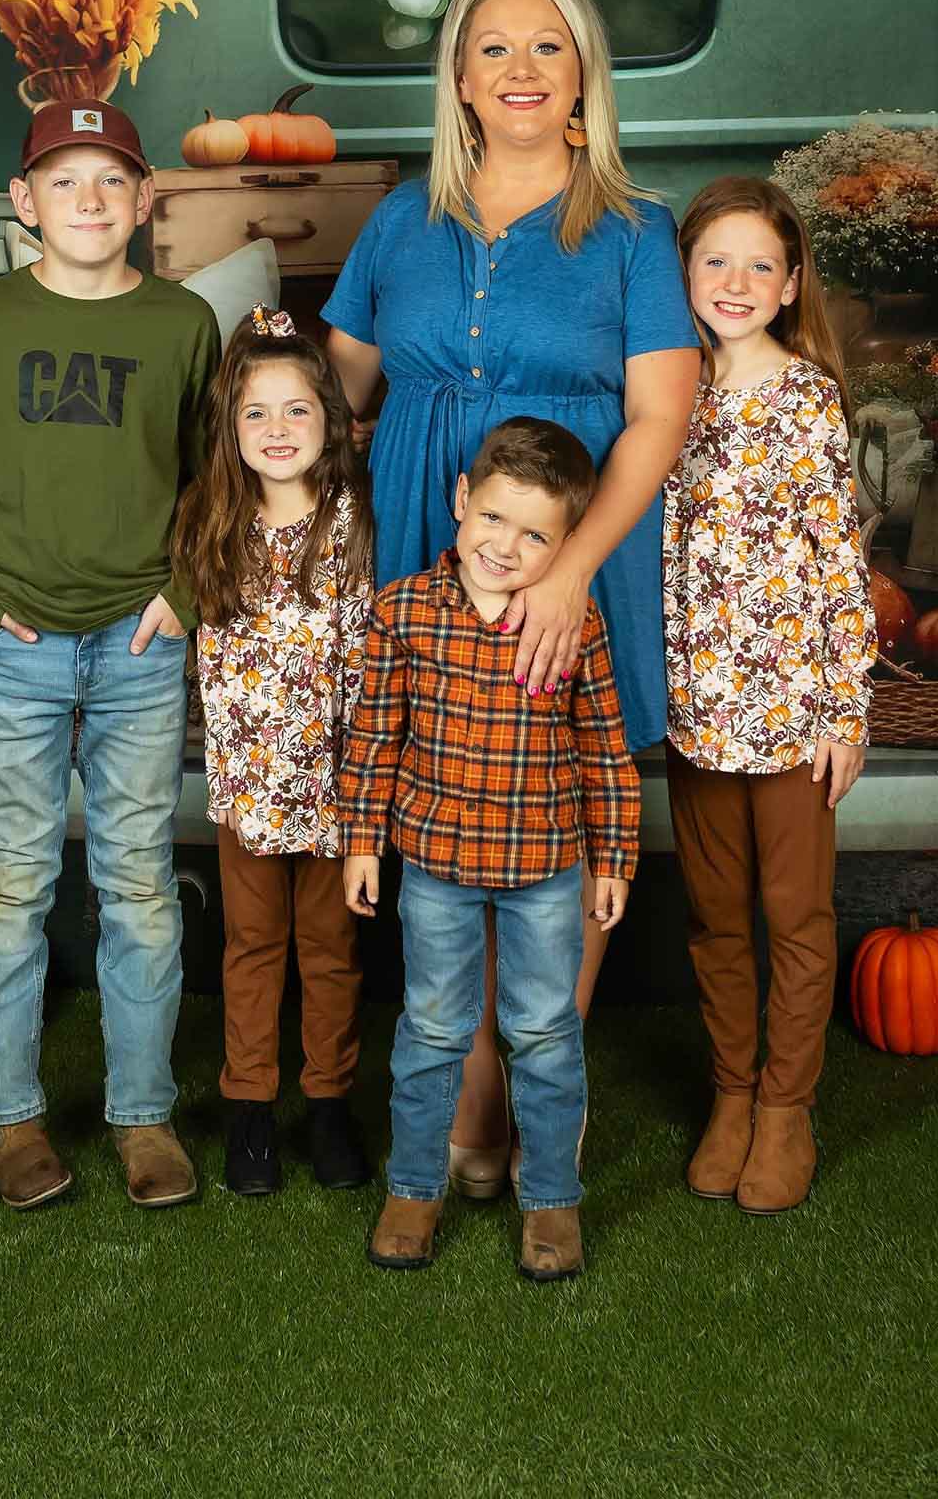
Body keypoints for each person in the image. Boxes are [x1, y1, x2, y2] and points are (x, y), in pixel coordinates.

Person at [324, 0, 700, 1191]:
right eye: (493, 48)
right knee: (440, 802)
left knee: (552, 810)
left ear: (584, 74)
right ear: (458, 79)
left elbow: (656, 414)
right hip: (428, 554)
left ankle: (515, 1087)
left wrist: (572, 571)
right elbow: (339, 388)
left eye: (549, 46)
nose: (522, 69)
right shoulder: (400, 220)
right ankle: (465, 1060)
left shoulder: (637, 229)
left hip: (568, 559)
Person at [0, 97, 220, 1211]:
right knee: (10, 881)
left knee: (138, 881)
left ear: (144, 201)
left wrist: (183, 593)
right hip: (19, 645)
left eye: (110, 181)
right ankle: (10, 1116)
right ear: (23, 202)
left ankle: (143, 1115)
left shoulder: (182, 323)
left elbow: (210, 482)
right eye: (65, 180)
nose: (88, 200)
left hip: (137, 642)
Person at [340, 418, 639, 1283]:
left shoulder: (573, 629)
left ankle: (549, 1200)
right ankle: (413, 1189)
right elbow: (373, 741)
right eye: (494, 519)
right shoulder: (400, 614)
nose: (506, 548)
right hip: (432, 867)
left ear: (565, 544)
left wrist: (612, 858)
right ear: (460, 500)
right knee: (432, 1029)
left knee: (544, 1035)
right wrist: (362, 844)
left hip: (545, 871)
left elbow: (603, 750)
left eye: (536, 534)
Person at [662, 176, 876, 1216]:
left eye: (758, 264)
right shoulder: (665, 390)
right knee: (713, 916)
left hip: (789, 713)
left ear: (791, 283)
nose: (735, 281)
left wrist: (846, 709)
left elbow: (835, 559)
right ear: (683, 275)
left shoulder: (802, 395)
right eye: (714, 261)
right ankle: (732, 1094)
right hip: (691, 707)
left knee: (792, 913)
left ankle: (786, 1107)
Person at [173, 304, 374, 1196]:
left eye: (297, 409)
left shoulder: (355, 524)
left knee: (329, 952)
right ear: (229, 428)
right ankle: (249, 1110)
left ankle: (328, 1104)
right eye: (256, 412)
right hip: (250, 789)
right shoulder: (210, 526)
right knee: (252, 947)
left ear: (330, 419)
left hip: (336, 789)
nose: (278, 429)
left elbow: (369, 657)